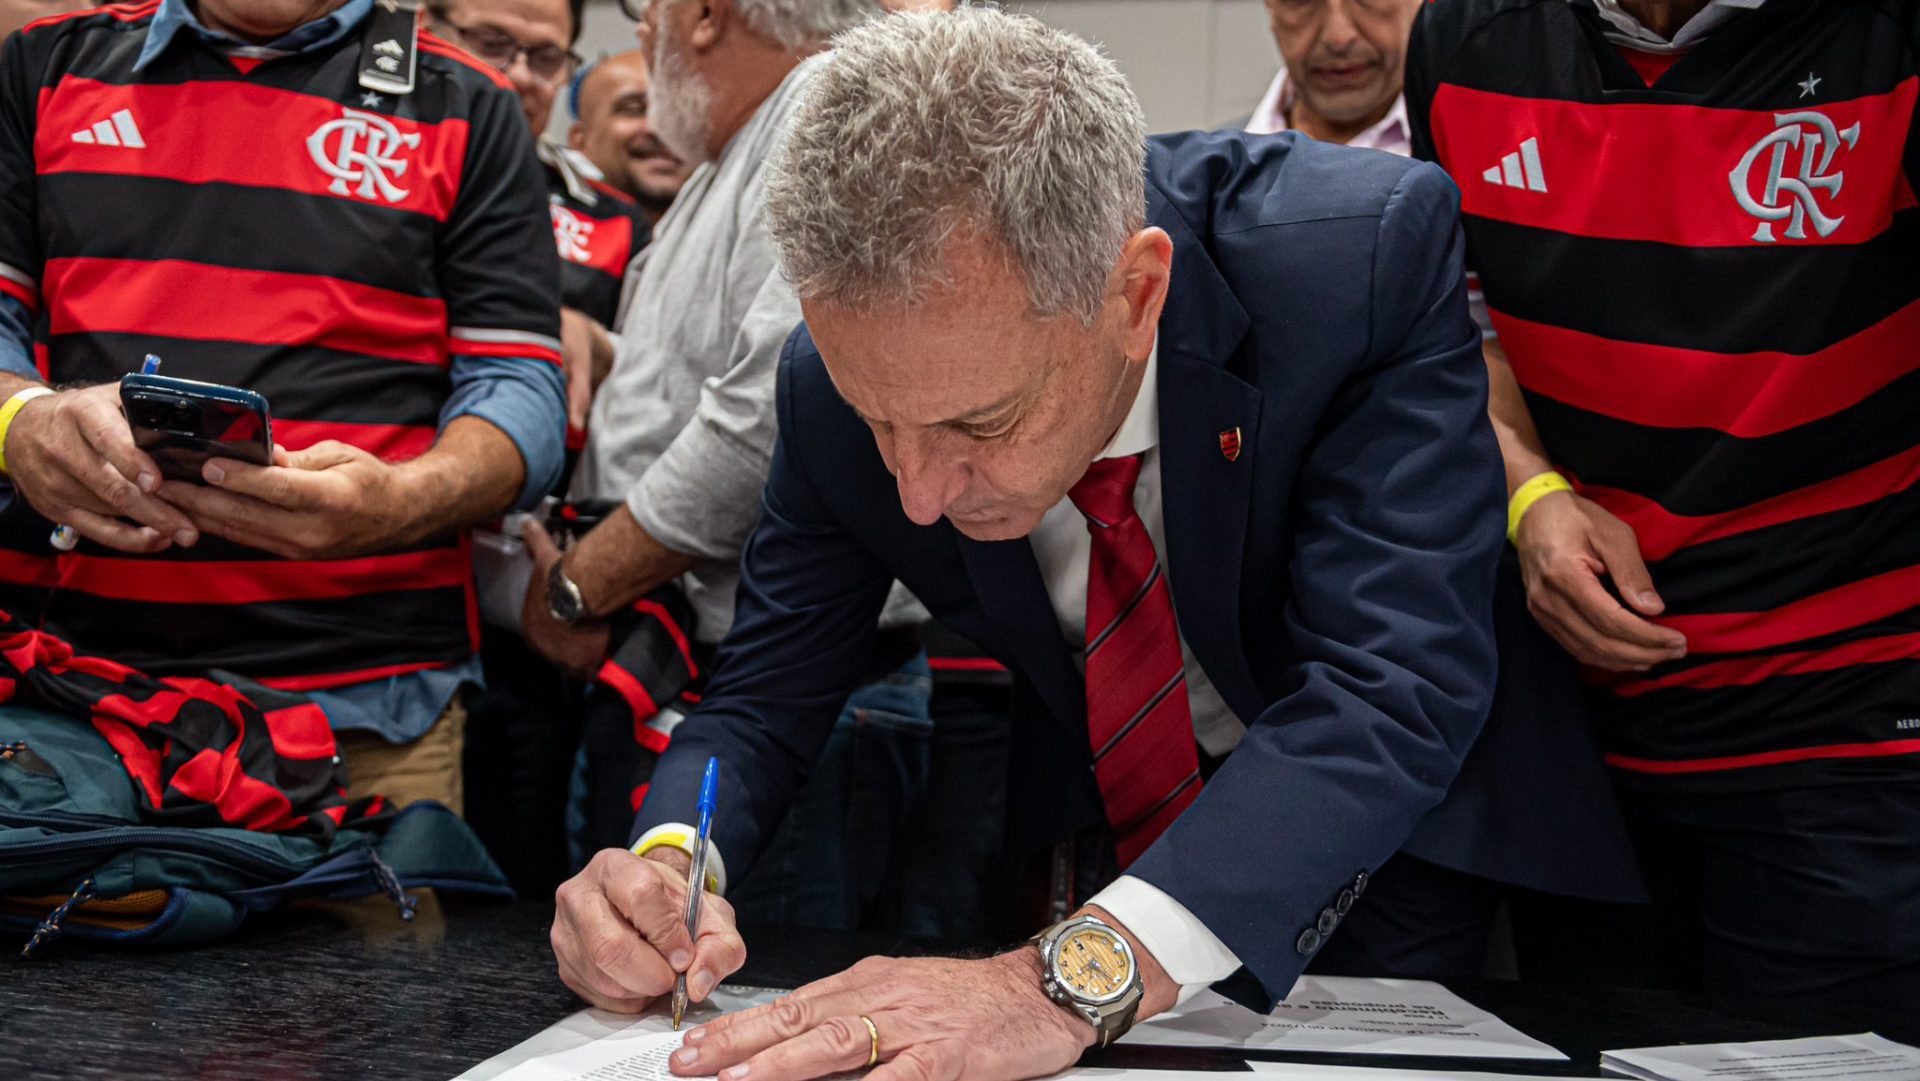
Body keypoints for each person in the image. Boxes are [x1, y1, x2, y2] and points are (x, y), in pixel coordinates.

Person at [550, 10, 1507, 1078]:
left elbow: (1392, 681)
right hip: (1107, 844)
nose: (918, 497)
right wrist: (668, 860)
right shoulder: (827, 390)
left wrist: (1057, 978)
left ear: (1136, 297)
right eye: (884, 425)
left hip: (1393, 849)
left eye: (982, 424)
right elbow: (764, 697)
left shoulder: (1351, 259)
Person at [1405, 0, 1920, 999]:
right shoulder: (1462, 37)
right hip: (1575, 736)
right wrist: (1530, 493)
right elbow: (1464, 329)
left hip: (1849, 733)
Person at [0, 0, 566, 813]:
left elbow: (522, 387)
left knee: (392, 948)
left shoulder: (465, 101)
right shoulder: (45, 66)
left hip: (370, 718)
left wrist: (400, 502)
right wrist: (20, 423)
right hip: (70, 697)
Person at [1240, 0, 1645, 983]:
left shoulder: (1500, 136)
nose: (1336, 34)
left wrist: (1530, 490)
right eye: (1301, 1)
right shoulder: (1219, 172)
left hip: (1510, 706)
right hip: (1286, 718)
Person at [521, 0, 939, 926]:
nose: (642, 37)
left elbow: (777, 410)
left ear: (703, 13)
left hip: (793, 693)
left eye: (645, 14)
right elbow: (697, 377)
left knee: (741, 1015)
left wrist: (579, 583)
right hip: (700, 674)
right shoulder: (751, 140)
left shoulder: (832, 102)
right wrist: (601, 342)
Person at [568, 49, 693, 226]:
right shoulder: (540, 235)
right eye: (634, 110)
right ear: (580, 140)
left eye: (677, 112)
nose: (660, 129)